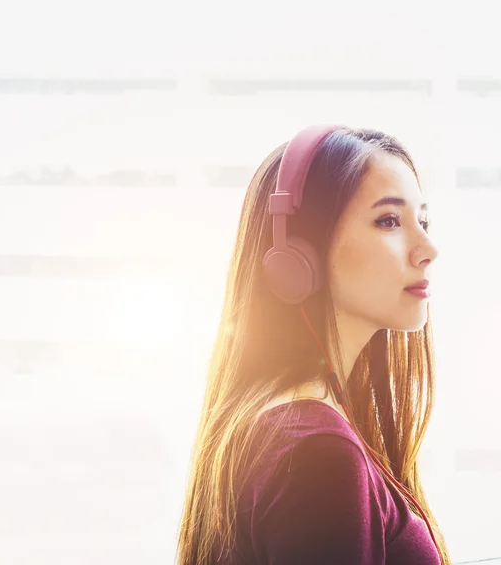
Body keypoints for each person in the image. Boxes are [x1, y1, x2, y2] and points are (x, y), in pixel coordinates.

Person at [176, 125, 452, 564]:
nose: (428, 248)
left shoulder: (288, 424)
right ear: (299, 255)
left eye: (423, 221)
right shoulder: (317, 454)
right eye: (388, 221)